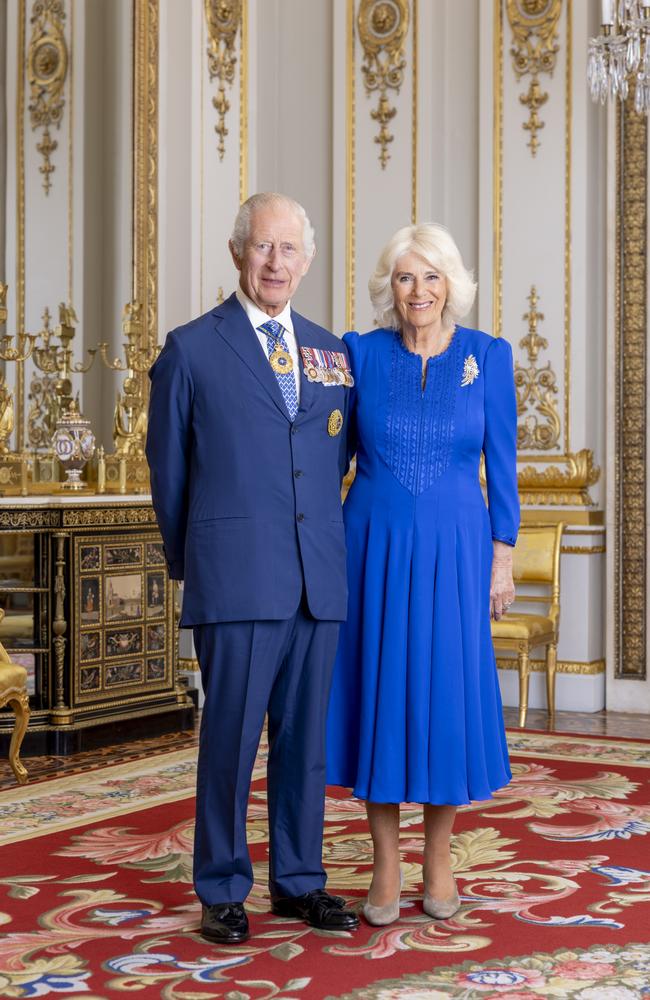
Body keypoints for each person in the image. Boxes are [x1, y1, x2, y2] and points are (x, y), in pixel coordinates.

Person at [146, 193, 359, 945]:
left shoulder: (333, 352)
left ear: (307, 260)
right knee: (232, 740)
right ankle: (223, 886)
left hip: (316, 579)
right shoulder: (192, 348)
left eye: (289, 250)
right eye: (263, 248)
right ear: (239, 254)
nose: (276, 263)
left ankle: (299, 882)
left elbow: (342, 459)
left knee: (305, 743)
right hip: (236, 576)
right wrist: (194, 562)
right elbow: (168, 475)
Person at [326, 223, 519, 926]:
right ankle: (385, 863)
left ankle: (437, 858)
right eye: (406, 277)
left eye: (432, 276)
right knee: (377, 690)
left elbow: (504, 465)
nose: (419, 291)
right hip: (371, 545)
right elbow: (331, 459)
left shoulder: (488, 357)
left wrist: (503, 556)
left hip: (457, 551)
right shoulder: (359, 355)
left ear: (452, 285)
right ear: (390, 288)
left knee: (441, 697)